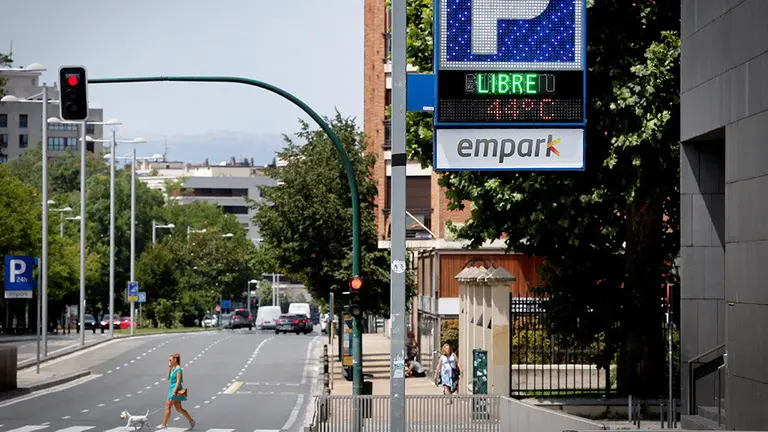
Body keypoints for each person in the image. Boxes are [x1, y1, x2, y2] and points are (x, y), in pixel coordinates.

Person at [159, 353, 195, 430]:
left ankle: (164, 424)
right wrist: (169, 368)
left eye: (170, 360)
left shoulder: (178, 369)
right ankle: (191, 421)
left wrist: (174, 392)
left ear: (175, 360)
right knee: (179, 409)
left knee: (168, 406)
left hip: (175, 389)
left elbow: (178, 381)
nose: (169, 361)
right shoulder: (173, 368)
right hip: (173, 389)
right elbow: (168, 378)